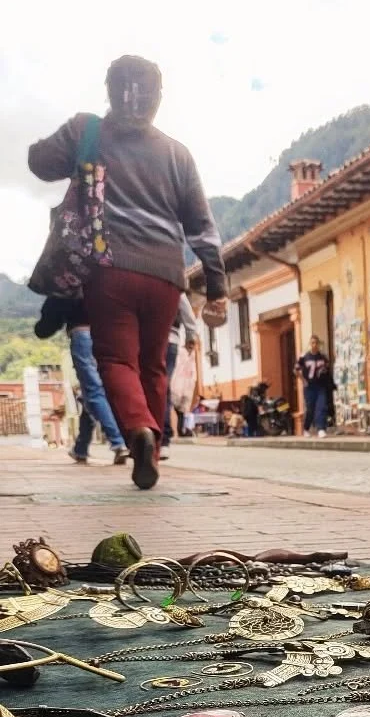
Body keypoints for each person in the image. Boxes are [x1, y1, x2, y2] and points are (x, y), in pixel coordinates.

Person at [28, 55, 227, 491]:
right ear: (158, 98)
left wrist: (64, 142)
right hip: (166, 276)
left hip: (110, 269)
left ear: (110, 91)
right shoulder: (177, 154)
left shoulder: (88, 132)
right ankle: (151, 448)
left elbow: (39, 163)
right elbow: (202, 226)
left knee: (117, 360)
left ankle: (137, 429)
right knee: (153, 366)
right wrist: (216, 286)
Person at [34, 297, 128, 465]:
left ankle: (118, 442)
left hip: (83, 335)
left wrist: (43, 321)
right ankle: (81, 448)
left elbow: (46, 326)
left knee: (93, 391)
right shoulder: (103, 274)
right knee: (89, 394)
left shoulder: (68, 279)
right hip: (111, 336)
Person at [161, 293, 199, 460]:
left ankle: (151, 435)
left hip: (147, 338)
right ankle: (163, 441)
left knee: (147, 386)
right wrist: (191, 335)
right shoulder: (172, 275)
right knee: (162, 386)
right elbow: (186, 309)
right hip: (170, 339)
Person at [296, 336, 331, 438]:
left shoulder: (323, 357)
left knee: (321, 406)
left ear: (318, 344)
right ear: (310, 344)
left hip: (320, 386)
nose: (314, 345)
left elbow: (327, 368)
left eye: (316, 343)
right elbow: (296, 370)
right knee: (310, 408)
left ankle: (321, 428)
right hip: (309, 387)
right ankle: (306, 428)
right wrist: (303, 380)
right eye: (312, 343)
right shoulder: (304, 357)